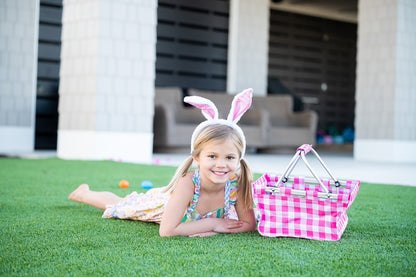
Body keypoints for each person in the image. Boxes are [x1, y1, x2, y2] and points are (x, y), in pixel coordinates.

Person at [68, 88, 257, 237]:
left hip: (184, 213)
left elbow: (248, 225)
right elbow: (167, 231)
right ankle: (84, 194)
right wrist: (213, 225)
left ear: (238, 158)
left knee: (125, 202)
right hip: (162, 206)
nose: (221, 164)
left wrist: (203, 229)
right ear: (197, 158)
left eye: (230, 157)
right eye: (212, 156)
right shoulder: (188, 182)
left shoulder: (237, 185)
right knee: (123, 205)